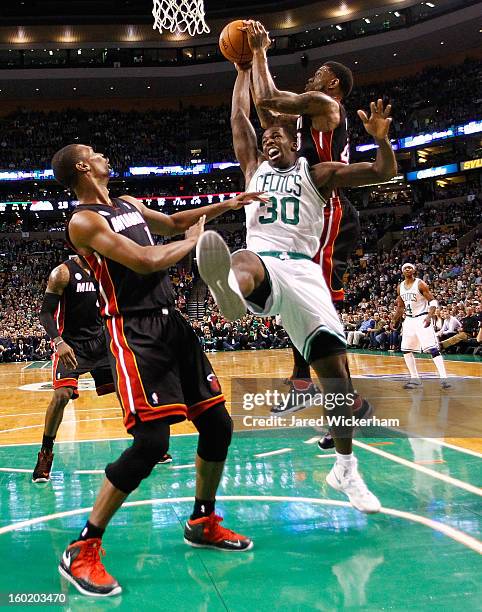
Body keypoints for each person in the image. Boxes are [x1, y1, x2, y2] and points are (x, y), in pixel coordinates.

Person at [52, 143, 265, 596]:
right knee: (151, 442)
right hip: (134, 332)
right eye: (95, 152)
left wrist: (229, 203)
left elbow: (171, 223)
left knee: (217, 425)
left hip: (172, 324)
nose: (105, 155)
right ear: (83, 167)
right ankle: (83, 547)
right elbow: (145, 259)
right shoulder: (84, 222)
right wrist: (197, 246)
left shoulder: (127, 203)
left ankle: (203, 521)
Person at [197, 64, 397, 514]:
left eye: (276, 135)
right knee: (242, 258)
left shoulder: (318, 173)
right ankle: (231, 293)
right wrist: (241, 69)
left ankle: (346, 468)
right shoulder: (252, 169)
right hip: (263, 260)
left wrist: (382, 138)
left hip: (304, 272)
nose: (268, 140)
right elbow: (237, 121)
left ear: (294, 140)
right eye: (264, 137)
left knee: (336, 380)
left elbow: (382, 172)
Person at [244, 20, 362, 411]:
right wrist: (246, 71)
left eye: (321, 73)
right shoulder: (302, 124)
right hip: (315, 206)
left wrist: (260, 51)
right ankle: (337, 394)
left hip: (328, 211)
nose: (313, 75)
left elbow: (269, 101)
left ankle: (312, 387)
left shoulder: (328, 107)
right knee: (308, 304)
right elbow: (267, 117)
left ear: (333, 85)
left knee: (312, 303)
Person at [32, 256, 119, 483]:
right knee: (62, 395)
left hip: (101, 342)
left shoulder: (105, 269)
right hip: (71, 344)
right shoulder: (62, 273)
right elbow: (45, 314)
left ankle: (148, 441)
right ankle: (45, 454)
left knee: (127, 388)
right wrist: (58, 342)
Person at [392, 263, 451, 389]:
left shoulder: (420, 284)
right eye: (405, 268)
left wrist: (430, 316)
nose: (407, 269)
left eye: (410, 267)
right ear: (402, 271)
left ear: (414, 270)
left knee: (433, 349)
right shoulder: (400, 287)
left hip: (422, 318)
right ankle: (415, 379)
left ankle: (444, 378)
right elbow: (401, 306)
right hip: (408, 320)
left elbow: (433, 301)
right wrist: (394, 319)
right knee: (406, 350)